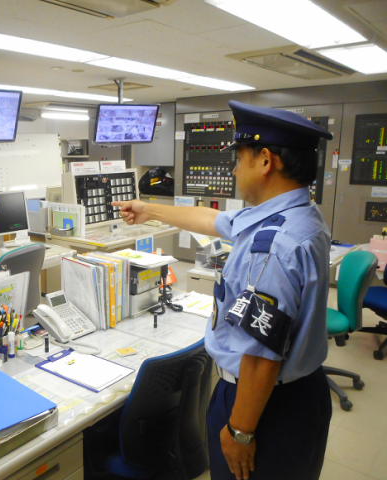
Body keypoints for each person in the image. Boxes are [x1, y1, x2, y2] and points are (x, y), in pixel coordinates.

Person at [113, 101, 334, 480]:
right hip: (303, 393)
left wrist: (240, 431)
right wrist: (148, 209)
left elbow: (261, 356)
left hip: (263, 405)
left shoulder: (272, 247)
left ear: (265, 161)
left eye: (239, 158)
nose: (233, 169)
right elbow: (213, 219)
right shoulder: (299, 215)